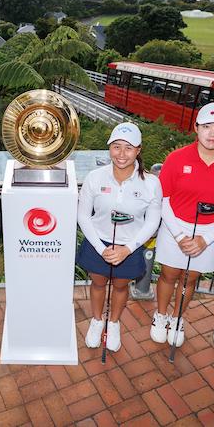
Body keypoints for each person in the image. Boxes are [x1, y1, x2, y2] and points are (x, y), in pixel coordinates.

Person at [151, 103, 214, 348]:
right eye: (206, 126)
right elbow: (163, 200)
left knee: (190, 278)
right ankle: (161, 315)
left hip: (209, 233)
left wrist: (205, 239)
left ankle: (177, 318)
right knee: (168, 274)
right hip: (175, 227)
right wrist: (180, 235)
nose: (212, 133)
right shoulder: (176, 158)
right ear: (196, 128)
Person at [77, 122, 161, 353]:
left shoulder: (151, 183)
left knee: (121, 286)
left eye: (128, 148)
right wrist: (100, 248)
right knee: (98, 283)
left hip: (130, 246)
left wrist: (128, 249)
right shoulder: (95, 177)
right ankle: (97, 321)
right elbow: (83, 215)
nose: (121, 154)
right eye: (116, 147)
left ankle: (113, 323)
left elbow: (152, 222)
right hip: (97, 242)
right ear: (109, 148)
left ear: (138, 150)